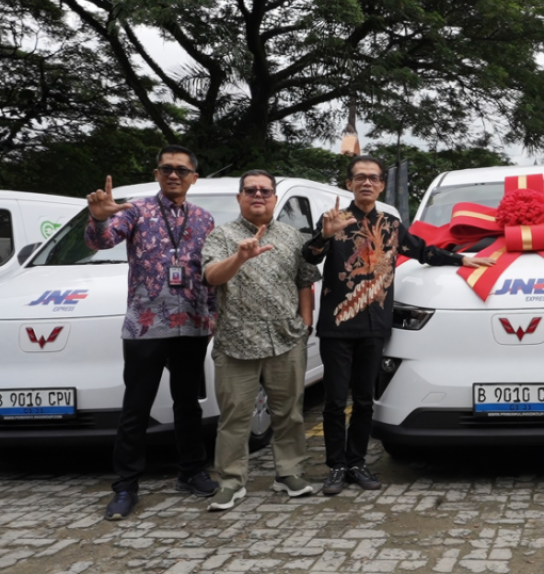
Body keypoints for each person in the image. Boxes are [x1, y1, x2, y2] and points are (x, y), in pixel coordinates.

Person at [302, 155, 496, 494]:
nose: (366, 182)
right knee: (334, 401)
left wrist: (463, 259)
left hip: (375, 325)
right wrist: (323, 235)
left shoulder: (390, 225)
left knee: (364, 400)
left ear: (380, 185)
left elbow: (423, 251)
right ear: (348, 183)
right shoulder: (334, 219)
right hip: (337, 325)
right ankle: (336, 466)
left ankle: (357, 462)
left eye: (373, 178)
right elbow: (309, 256)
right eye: (359, 177)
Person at [85, 145, 219, 520]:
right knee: (136, 407)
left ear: (194, 177)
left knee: (187, 405)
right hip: (145, 326)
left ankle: (191, 472)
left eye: (181, 169)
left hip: (191, 326)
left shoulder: (205, 220)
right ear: (157, 174)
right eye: (166, 169)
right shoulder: (136, 210)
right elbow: (103, 240)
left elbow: (208, 275)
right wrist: (97, 219)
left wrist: (214, 316)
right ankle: (126, 486)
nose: (173, 175)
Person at [201, 170, 321, 510]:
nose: (258, 195)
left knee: (289, 413)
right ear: (239, 197)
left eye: (265, 191)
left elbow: (305, 282)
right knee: (235, 416)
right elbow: (210, 277)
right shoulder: (221, 237)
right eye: (250, 190)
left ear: (274, 198)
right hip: (236, 341)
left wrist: (306, 324)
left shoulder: (294, 238)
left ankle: (289, 473)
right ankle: (231, 481)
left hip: (286, 339)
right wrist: (239, 257)